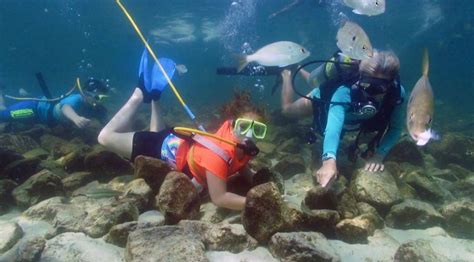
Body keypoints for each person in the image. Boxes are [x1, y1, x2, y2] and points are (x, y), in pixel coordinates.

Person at [98, 50, 267, 211]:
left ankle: (155, 96)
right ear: (231, 124)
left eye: (258, 130)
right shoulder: (217, 156)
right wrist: (259, 202)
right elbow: (219, 198)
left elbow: (240, 166)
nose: (249, 136)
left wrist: (260, 183)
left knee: (156, 135)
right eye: (243, 127)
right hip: (157, 147)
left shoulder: (241, 146)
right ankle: (139, 95)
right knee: (105, 138)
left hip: (172, 144)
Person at [280, 49, 405, 187]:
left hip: (350, 112)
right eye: (367, 85)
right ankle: (286, 74)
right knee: (287, 111)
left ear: (390, 84)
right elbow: (334, 126)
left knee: (314, 84)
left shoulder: (397, 94)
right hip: (323, 98)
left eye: (379, 88)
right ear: (360, 79)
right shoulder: (344, 92)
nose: (372, 93)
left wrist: (379, 155)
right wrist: (329, 161)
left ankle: (298, 67)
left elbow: (395, 127)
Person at [0, 78, 109, 128]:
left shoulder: (98, 109)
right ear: (84, 93)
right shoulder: (77, 99)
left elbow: (107, 122)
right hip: (35, 109)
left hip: (44, 121)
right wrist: (76, 118)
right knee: (3, 116)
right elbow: (65, 107)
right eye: (97, 97)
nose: (98, 101)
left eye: (103, 98)